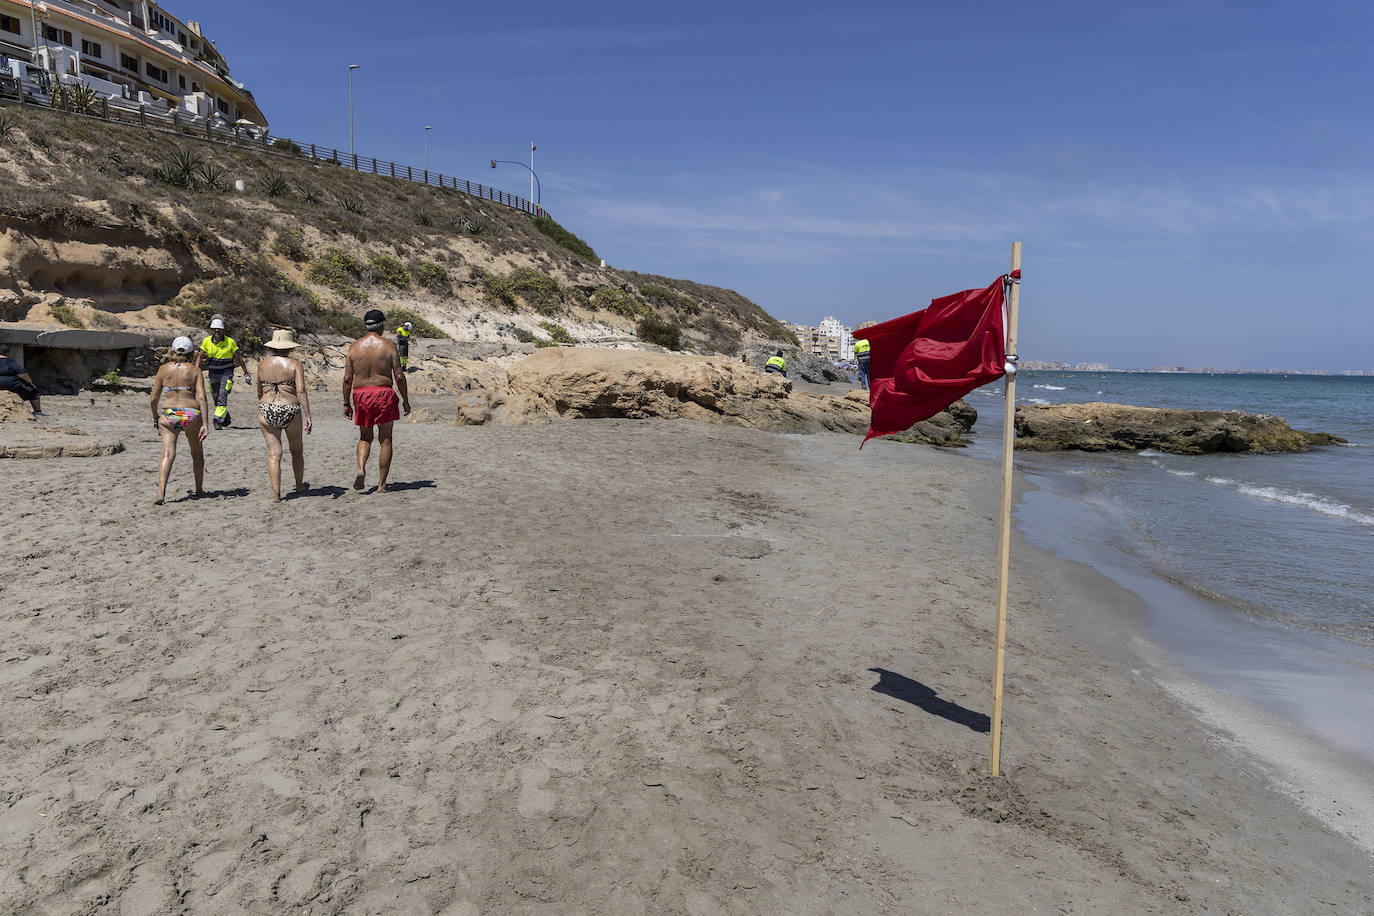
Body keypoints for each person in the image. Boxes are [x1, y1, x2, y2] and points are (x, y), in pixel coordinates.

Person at [343, 309, 410, 492]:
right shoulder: (389, 345)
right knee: (385, 439)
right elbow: (399, 375)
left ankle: (360, 469)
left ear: (365, 325)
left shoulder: (354, 347)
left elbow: (347, 379)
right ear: (382, 325)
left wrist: (346, 403)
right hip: (383, 393)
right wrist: (405, 399)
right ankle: (381, 484)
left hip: (361, 394)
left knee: (365, 437)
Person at [150, 336, 209, 504]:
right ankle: (198, 489)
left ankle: (161, 492)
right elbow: (202, 398)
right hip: (190, 413)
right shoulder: (195, 371)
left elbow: (154, 398)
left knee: (168, 454)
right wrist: (205, 423)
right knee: (196, 453)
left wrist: (155, 417)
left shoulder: (163, 369)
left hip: (169, 413)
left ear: (172, 350)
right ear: (191, 353)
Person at [255, 328, 312, 502]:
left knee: (274, 454)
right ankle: (299, 486)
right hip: (290, 408)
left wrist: (266, 405)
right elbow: (300, 391)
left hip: (267, 408)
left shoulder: (262, 364)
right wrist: (308, 415)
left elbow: (259, 391)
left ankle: (276, 495)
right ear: (290, 347)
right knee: (297, 451)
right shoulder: (295, 365)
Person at [195, 315, 249, 429]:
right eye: (215, 329)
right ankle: (225, 418)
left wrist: (246, 373)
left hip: (226, 373)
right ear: (211, 330)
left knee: (222, 396)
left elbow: (239, 358)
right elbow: (200, 356)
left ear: (223, 330)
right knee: (216, 397)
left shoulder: (230, 342)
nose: (217, 331)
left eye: (219, 329)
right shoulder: (206, 341)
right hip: (213, 374)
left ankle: (217, 421)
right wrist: (195, 370)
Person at [0, 344, 44, 415]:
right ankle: (37, 411)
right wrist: (31, 383)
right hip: (11, 385)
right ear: (8, 353)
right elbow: (23, 374)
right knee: (33, 391)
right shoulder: (11, 362)